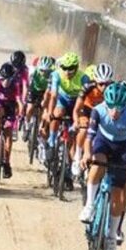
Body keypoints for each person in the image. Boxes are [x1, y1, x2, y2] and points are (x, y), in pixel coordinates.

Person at [78, 82, 126, 250]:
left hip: (123, 148)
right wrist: (86, 155)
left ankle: (112, 237)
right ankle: (90, 205)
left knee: (117, 194)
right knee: (98, 164)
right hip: (103, 142)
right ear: (105, 103)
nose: (114, 112)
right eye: (111, 107)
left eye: (119, 108)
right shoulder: (97, 111)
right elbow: (90, 137)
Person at [46, 52, 87, 190]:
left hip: (76, 104)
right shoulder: (57, 75)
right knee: (57, 113)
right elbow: (53, 96)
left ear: (76, 68)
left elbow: (85, 102)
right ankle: (51, 140)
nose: (67, 71)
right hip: (62, 101)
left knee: (72, 141)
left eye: (71, 68)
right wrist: (50, 113)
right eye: (65, 68)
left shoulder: (83, 78)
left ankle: (68, 171)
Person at [72, 63, 115, 178]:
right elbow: (77, 109)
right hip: (86, 110)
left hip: (102, 114)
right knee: (84, 128)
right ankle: (77, 157)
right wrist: (76, 121)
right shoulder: (88, 87)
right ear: (95, 81)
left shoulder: (114, 89)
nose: (104, 87)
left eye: (107, 84)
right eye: (101, 84)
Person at [26, 56, 56, 142]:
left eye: (46, 71)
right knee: (29, 108)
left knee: (44, 110)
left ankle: (39, 126)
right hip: (34, 90)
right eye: (42, 70)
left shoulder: (53, 74)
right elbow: (25, 83)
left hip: (45, 92)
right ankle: (27, 125)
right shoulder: (33, 72)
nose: (43, 73)